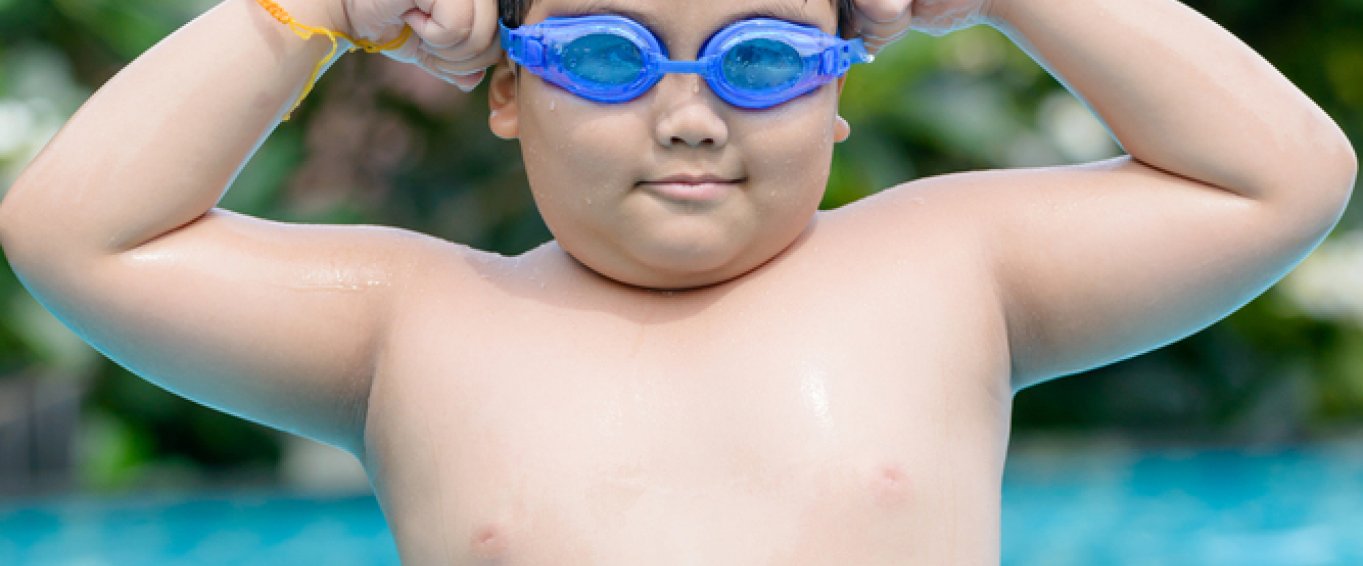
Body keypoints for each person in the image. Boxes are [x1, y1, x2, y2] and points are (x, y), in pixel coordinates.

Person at [0, 0, 1355, 561]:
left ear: (837, 97)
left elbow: (1282, 176)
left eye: (761, 57)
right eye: (608, 57)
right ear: (509, 93)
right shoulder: (417, 326)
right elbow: (77, 235)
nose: (691, 113)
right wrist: (296, 15)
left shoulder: (946, 268)